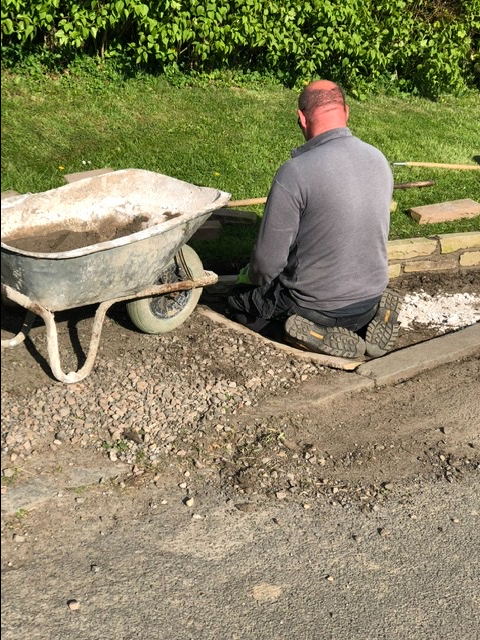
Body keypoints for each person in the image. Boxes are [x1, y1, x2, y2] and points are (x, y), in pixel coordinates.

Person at [226, 79, 402, 359]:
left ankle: (311, 335)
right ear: (346, 111)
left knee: (239, 303)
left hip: (313, 308)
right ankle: (372, 320)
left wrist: (250, 278)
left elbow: (266, 265)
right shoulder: (379, 160)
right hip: (369, 299)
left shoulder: (295, 173)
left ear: (301, 118)